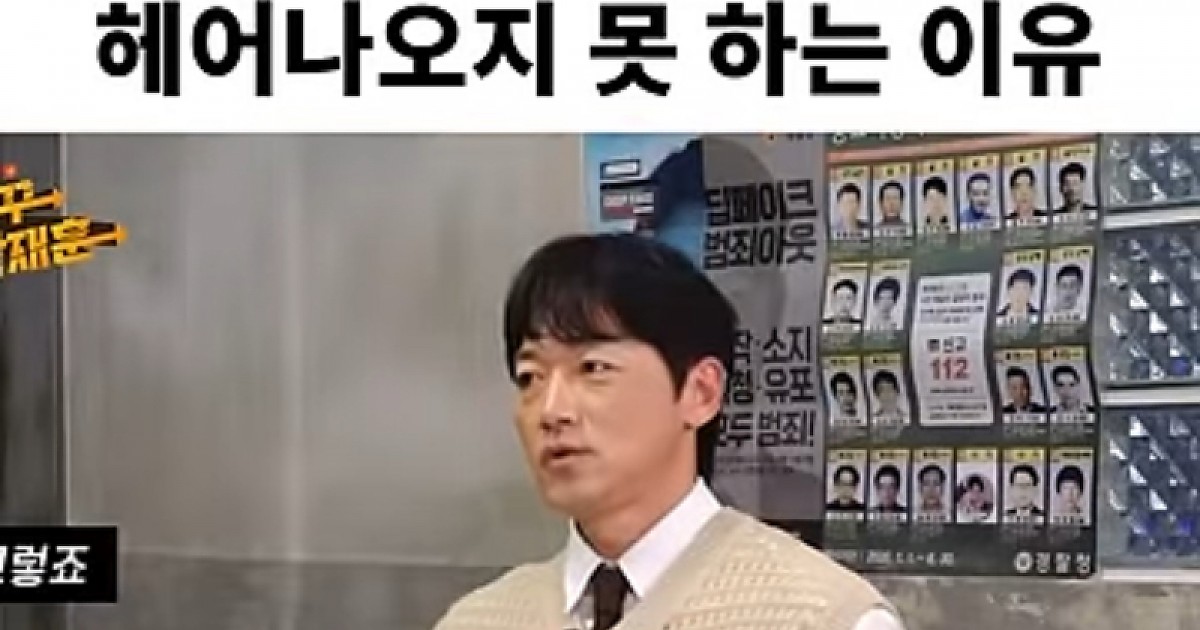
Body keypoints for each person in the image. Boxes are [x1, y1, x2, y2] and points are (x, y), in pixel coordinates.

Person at [434, 233, 902, 630]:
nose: (552, 410)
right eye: (530, 377)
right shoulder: (479, 620)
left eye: (593, 368)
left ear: (701, 392)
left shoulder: (822, 616)